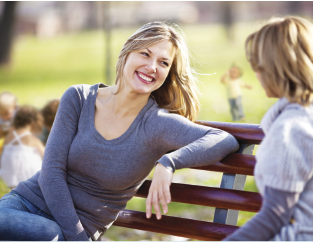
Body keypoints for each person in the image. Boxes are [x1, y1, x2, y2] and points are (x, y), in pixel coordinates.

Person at [0, 21, 239, 241]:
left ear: (168, 74)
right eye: (144, 54)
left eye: (163, 63)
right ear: (127, 53)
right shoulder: (79, 98)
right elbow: (51, 173)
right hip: (23, 206)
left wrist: (169, 162)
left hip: (66, 233)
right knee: (48, 232)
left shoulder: (157, 124)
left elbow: (223, 140)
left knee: (49, 233)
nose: (152, 67)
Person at [224, 16, 313, 241]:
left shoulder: (290, 130)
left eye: (259, 66)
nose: (256, 74)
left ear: (275, 68)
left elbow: (275, 215)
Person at [0, 105, 44, 189]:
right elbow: (46, 155)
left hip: (9, 176)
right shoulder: (32, 139)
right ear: (33, 123)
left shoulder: (10, 136)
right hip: (28, 175)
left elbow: (4, 155)